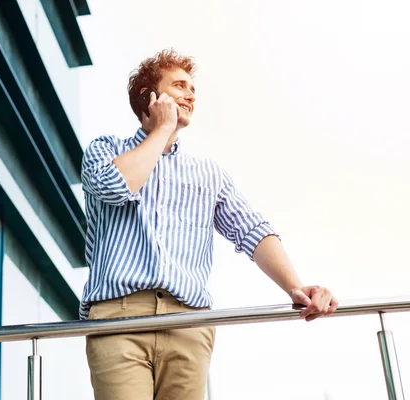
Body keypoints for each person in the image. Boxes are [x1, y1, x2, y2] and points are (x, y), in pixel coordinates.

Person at [80, 49, 338, 400]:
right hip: (120, 319)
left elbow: (252, 230)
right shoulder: (105, 150)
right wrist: (163, 129)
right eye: (180, 86)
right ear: (149, 96)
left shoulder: (208, 175)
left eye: (193, 90)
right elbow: (115, 188)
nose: (190, 95)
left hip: (188, 323)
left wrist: (294, 286)